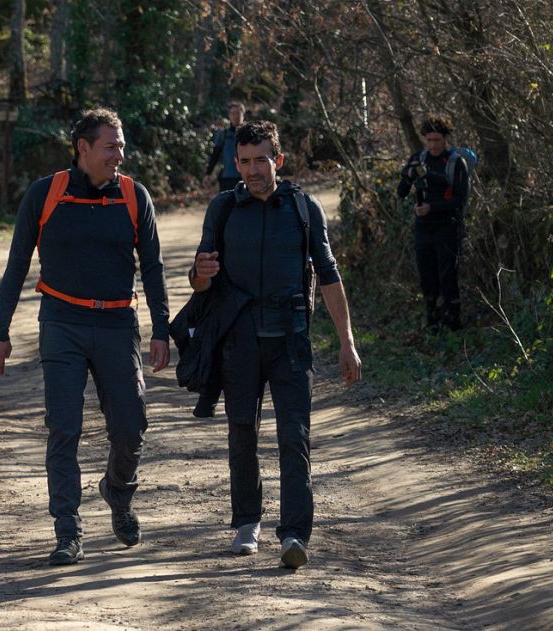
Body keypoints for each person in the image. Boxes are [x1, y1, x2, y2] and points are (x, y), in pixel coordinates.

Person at [0, 107, 170, 566]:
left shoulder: (133, 196)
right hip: (61, 325)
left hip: (116, 325)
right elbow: (16, 266)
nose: (119, 155)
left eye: (122, 146)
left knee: (130, 427)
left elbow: (152, 268)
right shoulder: (45, 194)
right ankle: (68, 531)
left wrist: (161, 332)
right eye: (111, 146)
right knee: (63, 429)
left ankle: (118, 492)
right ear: (83, 149)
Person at [190, 120, 362, 569]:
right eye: (243, 161)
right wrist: (199, 275)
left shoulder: (303, 208)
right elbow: (200, 278)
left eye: (260, 159)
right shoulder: (223, 209)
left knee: (295, 439)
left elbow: (328, 276)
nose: (251, 169)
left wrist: (347, 342)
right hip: (239, 342)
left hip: (291, 340)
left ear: (278, 160)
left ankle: (293, 535)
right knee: (241, 432)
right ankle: (247, 524)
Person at [194, 101, 247, 418]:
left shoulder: (250, 135)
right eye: (232, 112)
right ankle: (208, 396)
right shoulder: (222, 206)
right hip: (227, 182)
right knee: (216, 334)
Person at [396, 114, 469, 332]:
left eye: (437, 140)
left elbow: (460, 198)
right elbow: (401, 193)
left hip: (448, 225)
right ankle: (432, 321)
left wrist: (432, 208)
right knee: (427, 274)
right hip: (423, 227)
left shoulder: (456, 162)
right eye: (429, 140)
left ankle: (454, 322)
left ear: (445, 139)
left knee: (447, 274)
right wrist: (408, 176)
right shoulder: (419, 158)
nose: (433, 145)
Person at [204, 101, 246, 193]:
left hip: (246, 177)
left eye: (238, 113)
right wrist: (208, 173)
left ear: (243, 114)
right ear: (229, 116)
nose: (235, 116)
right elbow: (215, 155)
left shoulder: (249, 133)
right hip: (227, 178)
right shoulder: (223, 134)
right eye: (232, 113)